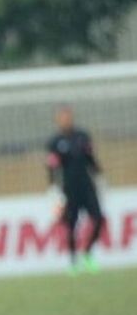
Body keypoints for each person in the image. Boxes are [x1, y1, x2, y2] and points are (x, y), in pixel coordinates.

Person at [46, 105, 104, 274]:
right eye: (62, 117)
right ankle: (73, 261)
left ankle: (87, 253)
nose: (66, 119)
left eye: (68, 116)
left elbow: (91, 159)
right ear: (58, 120)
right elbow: (52, 167)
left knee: (99, 219)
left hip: (87, 187)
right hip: (69, 190)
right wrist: (53, 188)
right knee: (71, 225)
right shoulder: (54, 142)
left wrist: (100, 177)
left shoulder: (83, 136)